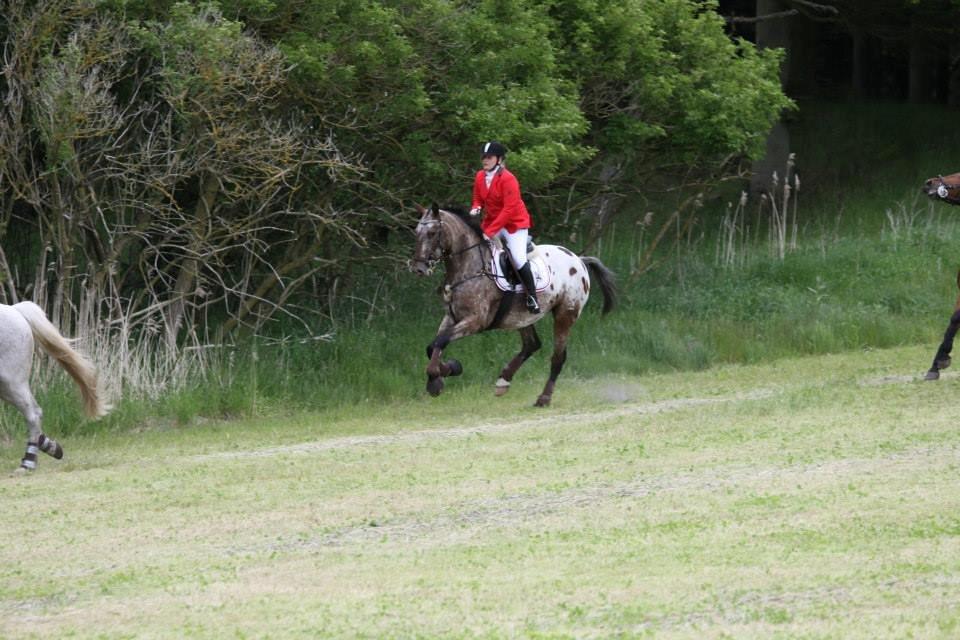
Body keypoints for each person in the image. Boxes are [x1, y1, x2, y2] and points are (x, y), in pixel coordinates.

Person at [470, 141, 540, 314]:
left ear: (499, 159)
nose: (485, 160)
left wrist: (490, 232)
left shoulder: (508, 179)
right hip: (492, 222)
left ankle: (532, 297)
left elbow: (508, 210)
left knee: (517, 258)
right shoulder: (480, 176)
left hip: (513, 225)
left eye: (489, 157)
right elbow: (478, 198)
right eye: (483, 157)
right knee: (474, 249)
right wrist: (476, 207)